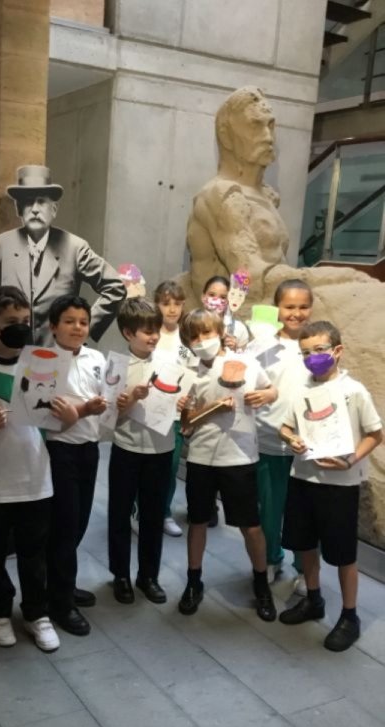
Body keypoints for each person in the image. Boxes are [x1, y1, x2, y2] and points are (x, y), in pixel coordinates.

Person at [0, 286, 78, 652]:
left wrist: (68, 418)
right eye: (11, 322)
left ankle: (37, 613)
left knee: (34, 553)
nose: (20, 327)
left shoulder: (43, 363)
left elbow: (54, 422)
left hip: (36, 479)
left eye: (25, 321)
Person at [279, 321, 383, 652]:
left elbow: (376, 434)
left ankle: (350, 616)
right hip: (303, 478)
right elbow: (285, 425)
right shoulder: (301, 389)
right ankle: (313, 599)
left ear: (337, 351)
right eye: (306, 353)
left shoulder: (354, 391)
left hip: (341, 484)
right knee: (305, 544)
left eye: (319, 351)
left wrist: (351, 459)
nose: (313, 358)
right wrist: (292, 438)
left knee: (343, 555)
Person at [178, 308, 278, 622]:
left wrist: (266, 395)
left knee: (251, 525)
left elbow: (270, 388)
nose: (201, 341)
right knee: (197, 521)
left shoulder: (246, 362)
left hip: (240, 456)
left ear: (220, 331)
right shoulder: (190, 373)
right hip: (201, 458)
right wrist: (187, 409)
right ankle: (194, 581)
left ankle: (261, 583)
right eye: (194, 336)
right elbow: (186, 425)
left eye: (207, 333)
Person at [0, 165, 126, 346]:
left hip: (58, 356)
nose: (35, 209)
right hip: (11, 353)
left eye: (42, 201)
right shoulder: (2, 244)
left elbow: (115, 287)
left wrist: (82, 328)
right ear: (18, 208)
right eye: (28, 201)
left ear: (54, 209)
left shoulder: (75, 247)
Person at [108, 298, 187, 605]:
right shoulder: (115, 365)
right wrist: (130, 397)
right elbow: (108, 416)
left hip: (161, 449)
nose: (153, 336)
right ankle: (121, 575)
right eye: (146, 331)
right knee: (119, 513)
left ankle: (148, 576)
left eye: (155, 330)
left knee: (153, 516)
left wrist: (183, 405)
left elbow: (179, 403)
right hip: (126, 447)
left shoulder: (170, 363)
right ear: (128, 334)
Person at [187, 86, 289, 300]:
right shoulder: (222, 194)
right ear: (226, 136)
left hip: (276, 304)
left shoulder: (266, 196)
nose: (268, 137)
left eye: (270, 125)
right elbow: (249, 276)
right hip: (231, 314)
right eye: (255, 126)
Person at [45, 295, 107, 636]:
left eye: (83, 322)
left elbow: (106, 400)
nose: (77, 327)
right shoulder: (42, 361)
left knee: (81, 520)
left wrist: (111, 403)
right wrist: (85, 409)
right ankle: (59, 603)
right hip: (59, 450)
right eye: (69, 321)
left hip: (89, 447)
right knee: (64, 526)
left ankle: (62, 587)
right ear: (53, 326)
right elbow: (43, 411)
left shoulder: (96, 357)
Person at [254, 279, 314, 589]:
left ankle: (305, 569)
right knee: (269, 508)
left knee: (303, 512)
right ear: (277, 308)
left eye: (303, 307)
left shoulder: (317, 345)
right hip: (269, 442)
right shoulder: (262, 346)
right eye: (289, 306)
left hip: (306, 446)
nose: (296, 313)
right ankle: (270, 560)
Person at [153, 280, 192, 537]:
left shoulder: (188, 334)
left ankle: (164, 512)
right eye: (166, 303)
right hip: (151, 409)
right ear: (157, 304)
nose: (172, 309)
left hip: (178, 411)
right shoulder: (149, 330)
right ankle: (140, 510)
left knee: (171, 465)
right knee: (149, 465)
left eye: (177, 304)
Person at [201, 275, 250, 351]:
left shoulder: (239, 329)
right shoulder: (189, 325)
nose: (216, 300)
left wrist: (235, 350)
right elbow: (181, 353)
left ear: (229, 301)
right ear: (203, 297)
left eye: (223, 297)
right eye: (211, 295)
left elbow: (246, 358)